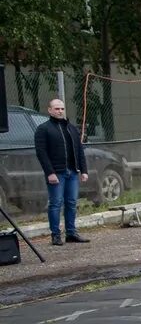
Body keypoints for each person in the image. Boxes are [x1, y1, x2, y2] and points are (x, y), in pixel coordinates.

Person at [33, 98, 89, 245]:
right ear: (50, 110)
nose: (60, 111)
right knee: (56, 203)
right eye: (57, 109)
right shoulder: (43, 129)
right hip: (56, 173)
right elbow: (41, 153)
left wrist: (84, 170)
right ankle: (55, 235)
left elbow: (79, 151)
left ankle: (71, 233)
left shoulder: (71, 128)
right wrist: (50, 172)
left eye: (62, 109)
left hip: (72, 172)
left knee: (71, 202)